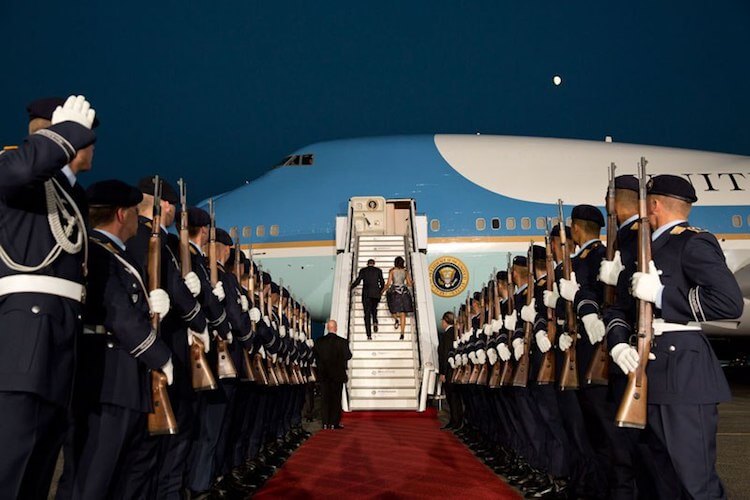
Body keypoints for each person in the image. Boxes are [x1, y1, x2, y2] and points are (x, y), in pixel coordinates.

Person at [616, 175, 743, 499]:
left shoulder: (692, 242)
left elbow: (728, 301)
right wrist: (618, 342)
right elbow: (619, 306)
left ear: (654, 204)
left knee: (693, 482)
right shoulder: (641, 248)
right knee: (656, 480)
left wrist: (662, 294)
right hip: (647, 372)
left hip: (685, 373)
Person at [0, 95, 97, 499]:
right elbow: (20, 168)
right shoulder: (19, 173)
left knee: (38, 470)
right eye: (88, 138)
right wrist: (65, 135)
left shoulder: (70, 194)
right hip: (27, 336)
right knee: (11, 464)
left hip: (59, 338)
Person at [57, 180, 173, 499]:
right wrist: (160, 356)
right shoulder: (96, 253)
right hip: (104, 383)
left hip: (124, 384)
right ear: (122, 214)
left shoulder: (116, 256)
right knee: (91, 480)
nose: (140, 219)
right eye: (137, 212)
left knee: (123, 479)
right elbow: (118, 312)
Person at [313, 320, 352, 430]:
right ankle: (334, 423)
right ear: (336, 328)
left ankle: (325, 423)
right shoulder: (342, 342)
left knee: (325, 399)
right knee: (336, 399)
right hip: (337, 375)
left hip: (324, 375)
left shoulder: (319, 341)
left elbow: (315, 355)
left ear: (327, 328)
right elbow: (348, 356)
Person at [437, 311, 462, 430]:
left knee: (452, 398)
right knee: (454, 398)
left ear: (445, 321)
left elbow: (445, 355)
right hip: (454, 370)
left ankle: (455, 421)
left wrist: (443, 372)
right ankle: (456, 421)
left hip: (449, 371)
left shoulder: (448, 334)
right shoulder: (455, 332)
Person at [350, 258, 384, 339]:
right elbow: (382, 282)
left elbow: (358, 281)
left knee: (367, 314)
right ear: (374, 263)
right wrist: (380, 290)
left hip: (366, 294)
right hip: (375, 294)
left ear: (367, 264)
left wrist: (351, 286)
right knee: (374, 308)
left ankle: (369, 335)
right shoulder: (378, 270)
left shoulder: (363, 270)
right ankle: (375, 321)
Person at [382, 256, 414, 340]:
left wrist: (382, 291)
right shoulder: (405, 271)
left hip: (394, 292)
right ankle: (402, 333)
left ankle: (396, 319)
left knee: (392, 308)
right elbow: (409, 284)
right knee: (403, 313)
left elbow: (388, 283)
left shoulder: (392, 271)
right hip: (404, 292)